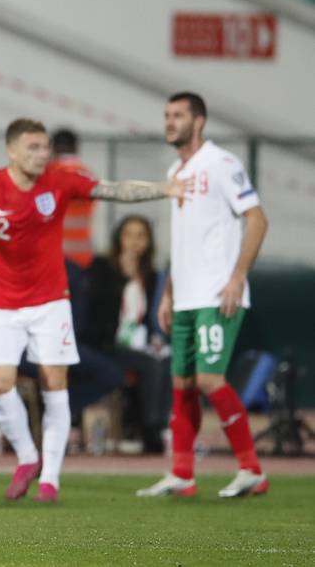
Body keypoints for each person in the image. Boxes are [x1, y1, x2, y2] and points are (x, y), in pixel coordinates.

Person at [0, 118, 188, 503]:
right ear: (12, 151)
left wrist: (163, 189)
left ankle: (50, 478)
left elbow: (114, 190)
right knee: (0, 385)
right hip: (4, 304)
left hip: (51, 302)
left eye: (44, 147)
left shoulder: (61, 180)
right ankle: (27, 457)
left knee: (55, 383)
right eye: (32, 148)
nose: (41, 154)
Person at [137, 92, 269, 498]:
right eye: (166, 115)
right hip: (186, 297)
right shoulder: (177, 169)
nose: (169, 122)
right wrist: (167, 294)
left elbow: (257, 219)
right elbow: (183, 241)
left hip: (217, 293)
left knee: (210, 379)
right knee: (182, 384)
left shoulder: (223, 163)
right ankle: (183, 475)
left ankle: (251, 470)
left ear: (200, 121)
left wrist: (237, 278)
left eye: (178, 115)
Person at [82, 215, 172, 453]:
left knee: (167, 360)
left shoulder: (152, 276)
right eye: (129, 235)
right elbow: (98, 309)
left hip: (139, 342)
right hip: (105, 344)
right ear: (119, 238)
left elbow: (152, 317)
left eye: (140, 236)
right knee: (150, 365)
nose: (134, 241)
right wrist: (124, 275)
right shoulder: (101, 267)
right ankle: (150, 429)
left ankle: (162, 426)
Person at [50, 129, 98, 270]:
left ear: (52, 147)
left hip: (53, 256)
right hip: (82, 255)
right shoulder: (89, 175)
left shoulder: (47, 174)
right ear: (76, 147)